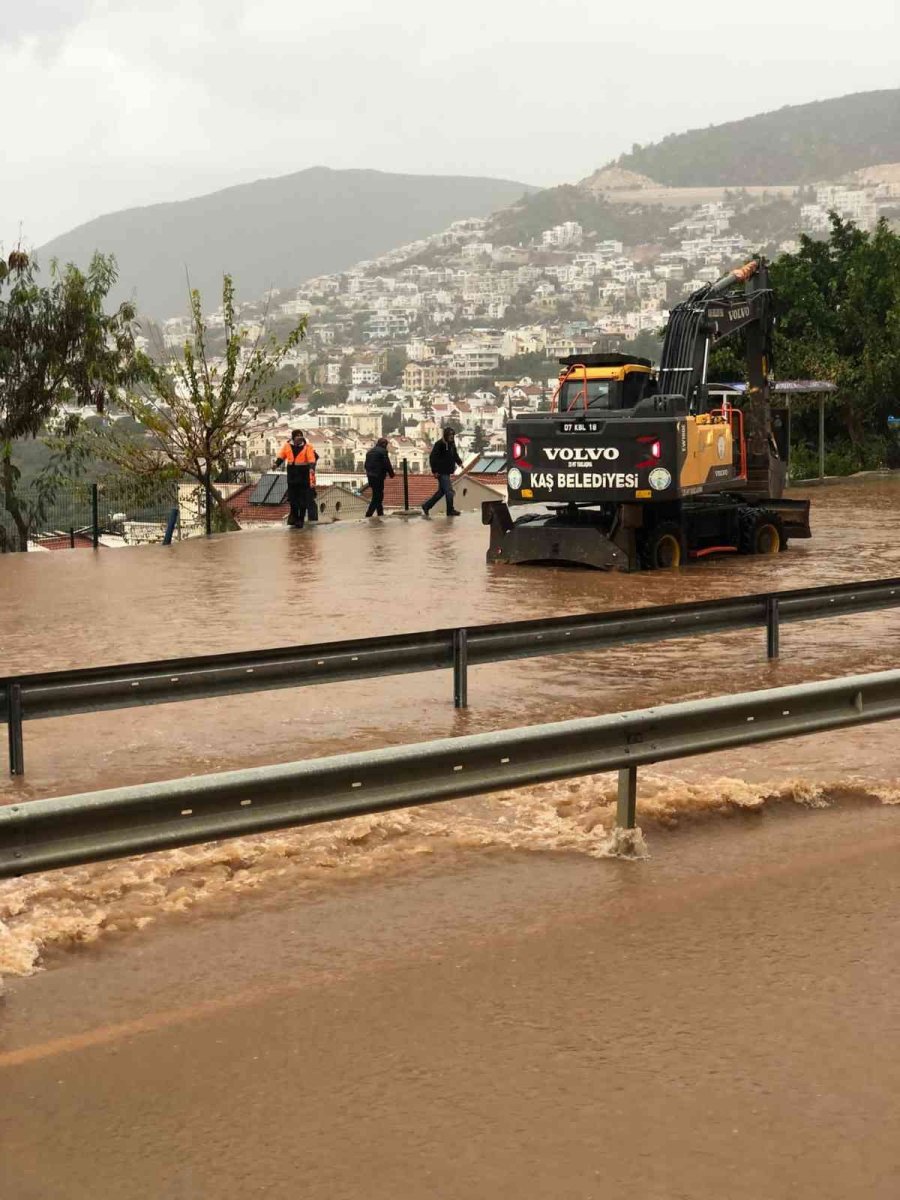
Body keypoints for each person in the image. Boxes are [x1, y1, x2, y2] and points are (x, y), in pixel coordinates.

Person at [274, 429, 318, 528]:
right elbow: (281, 457)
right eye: (297, 436)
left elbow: (311, 459)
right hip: (292, 476)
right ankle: (294, 517)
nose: (299, 438)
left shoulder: (308, 447)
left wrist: (311, 468)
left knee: (303, 500)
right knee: (293, 499)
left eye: (300, 436)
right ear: (293, 437)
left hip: (303, 476)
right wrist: (275, 464)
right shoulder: (287, 446)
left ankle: (300, 519)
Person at [422, 427, 463, 518]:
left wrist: (459, 462)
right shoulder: (439, 444)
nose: (452, 436)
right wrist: (435, 471)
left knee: (441, 492)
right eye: (450, 435)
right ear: (446, 435)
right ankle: (450, 510)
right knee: (449, 492)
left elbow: (455, 454)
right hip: (441, 472)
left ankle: (426, 506)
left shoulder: (452, 444)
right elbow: (433, 458)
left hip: (447, 471)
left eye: (453, 435)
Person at [364, 437, 395, 518]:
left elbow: (365, 465)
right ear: (384, 444)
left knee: (377, 494)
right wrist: (391, 474)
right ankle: (369, 514)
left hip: (370, 476)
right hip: (378, 476)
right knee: (377, 496)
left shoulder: (369, 452)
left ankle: (380, 513)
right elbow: (387, 464)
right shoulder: (383, 452)